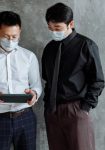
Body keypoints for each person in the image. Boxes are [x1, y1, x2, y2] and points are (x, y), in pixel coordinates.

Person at [42, 2, 105, 150]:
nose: (54, 32)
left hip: (76, 110)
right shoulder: (49, 49)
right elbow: (47, 80)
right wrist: (48, 107)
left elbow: (98, 81)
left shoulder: (86, 46)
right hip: (53, 111)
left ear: (71, 24)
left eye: (57, 28)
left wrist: (84, 108)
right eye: (51, 28)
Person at [0, 11, 42, 150]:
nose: (11, 40)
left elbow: (36, 85)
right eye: (6, 36)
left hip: (25, 117)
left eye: (14, 36)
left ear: (20, 32)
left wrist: (34, 94)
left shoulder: (29, 57)